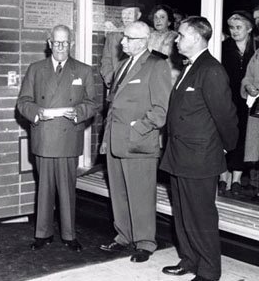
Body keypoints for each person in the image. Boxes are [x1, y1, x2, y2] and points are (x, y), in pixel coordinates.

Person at [160, 16, 238, 281]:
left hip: (200, 156)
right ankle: (189, 260)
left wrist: (227, 148)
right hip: (180, 154)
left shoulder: (211, 69)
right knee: (182, 213)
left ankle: (208, 272)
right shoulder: (190, 67)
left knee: (201, 217)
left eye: (180, 35)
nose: (177, 39)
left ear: (195, 37)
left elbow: (226, 116)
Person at [17, 24, 97, 253]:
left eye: (65, 42)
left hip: (68, 137)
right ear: (49, 43)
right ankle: (43, 233)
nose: (61, 47)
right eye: (57, 42)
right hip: (44, 137)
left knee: (67, 189)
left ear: (70, 44)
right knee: (44, 189)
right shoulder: (35, 69)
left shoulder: (83, 70)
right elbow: (23, 102)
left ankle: (69, 235)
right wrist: (36, 112)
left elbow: (92, 103)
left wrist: (79, 113)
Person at [99, 21, 172, 263]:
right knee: (118, 193)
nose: (122, 42)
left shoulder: (157, 65)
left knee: (141, 195)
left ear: (142, 41)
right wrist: (106, 140)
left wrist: (136, 129)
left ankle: (145, 242)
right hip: (115, 141)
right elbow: (112, 107)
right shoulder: (121, 66)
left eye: (128, 38)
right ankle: (123, 236)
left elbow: (162, 110)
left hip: (138, 142)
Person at [218, 11, 255, 196]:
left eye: (238, 27)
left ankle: (237, 179)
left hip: (248, 99)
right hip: (227, 97)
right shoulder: (222, 47)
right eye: (231, 28)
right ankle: (223, 176)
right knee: (226, 135)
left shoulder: (256, 50)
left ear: (249, 28)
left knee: (243, 137)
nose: (234, 31)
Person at [100, 0, 144, 87]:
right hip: (116, 86)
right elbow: (106, 60)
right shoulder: (113, 35)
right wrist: (111, 79)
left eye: (130, 13)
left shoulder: (147, 34)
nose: (126, 17)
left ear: (138, 15)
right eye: (124, 13)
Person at [241, 48, 259, 202]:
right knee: (256, 149)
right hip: (257, 106)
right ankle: (255, 187)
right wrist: (248, 86)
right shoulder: (257, 53)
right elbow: (248, 77)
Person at [148, 4, 181, 84]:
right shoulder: (147, 36)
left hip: (168, 78)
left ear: (169, 21)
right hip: (149, 76)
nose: (158, 20)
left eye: (162, 17)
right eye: (156, 17)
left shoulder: (176, 37)